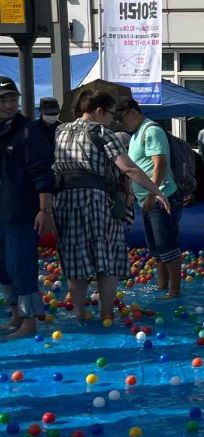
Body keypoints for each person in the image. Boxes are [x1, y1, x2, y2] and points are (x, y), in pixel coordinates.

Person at [53, 91, 170, 322]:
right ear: (99, 111)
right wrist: (156, 191)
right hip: (95, 201)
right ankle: (106, 313)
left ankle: (79, 313)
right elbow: (129, 168)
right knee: (108, 256)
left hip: (64, 202)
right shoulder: (101, 132)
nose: (112, 120)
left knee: (76, 257)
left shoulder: (59, 131)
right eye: (110, 115)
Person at [0, 78, 55, 339]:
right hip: (1, 211)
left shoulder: (28, 130)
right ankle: (15, 316)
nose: (10, 104)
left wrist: (45, 209)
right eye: (4, 100)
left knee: (21, 263)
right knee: (3, 266)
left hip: (22, 210)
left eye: (13, 98)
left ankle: (29, 321)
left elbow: (42, 172)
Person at [116, 97, 183, 298]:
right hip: (147, 198)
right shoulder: (136, 133)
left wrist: (153, 194)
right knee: (156, 246)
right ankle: (163, 284)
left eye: (121, 119)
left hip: (162, 197)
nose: (120, 123)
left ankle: (174, 290)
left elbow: (159, 164)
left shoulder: (151, 131)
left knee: (167, 244)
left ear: (132, 113)